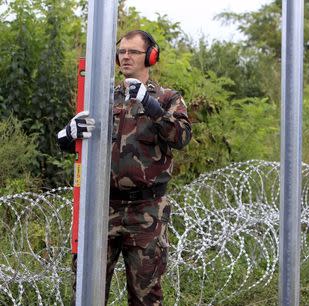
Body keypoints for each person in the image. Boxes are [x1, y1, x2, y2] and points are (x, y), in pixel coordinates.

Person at [58, 30, 192, 305]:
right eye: (121, 52)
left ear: (151, 56)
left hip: (147, 212)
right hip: (101, 208)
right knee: (85, 293)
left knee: (145, 296)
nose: (126, 56)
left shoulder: (167, 98)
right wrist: (67, 135)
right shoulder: (100, 97)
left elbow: (181, 137)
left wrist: (150, 104)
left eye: (133, 51)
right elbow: (78, 142)